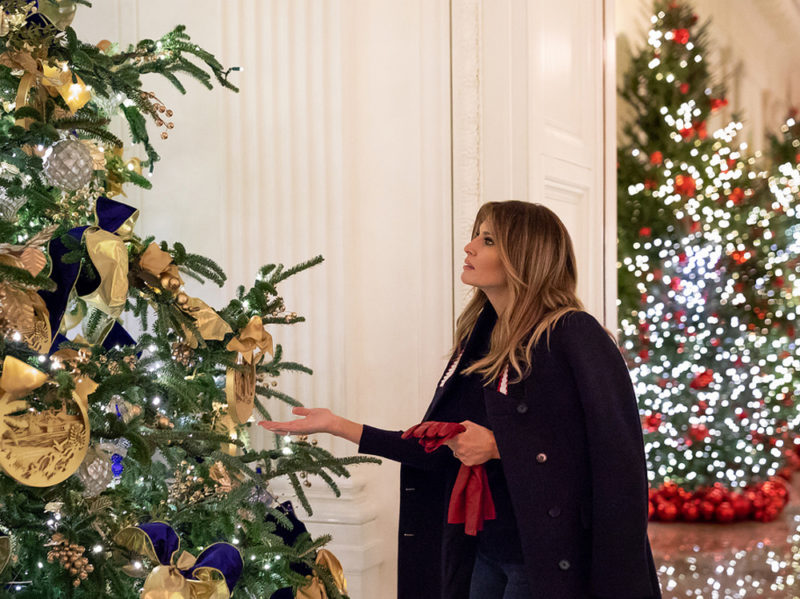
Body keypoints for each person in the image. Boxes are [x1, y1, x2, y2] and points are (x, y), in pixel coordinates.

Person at [259, 201, 662, 599]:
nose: (469, 248)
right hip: (482, 553)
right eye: (475, 236)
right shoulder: (482, 339)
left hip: (544, 560)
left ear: (525, 257)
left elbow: (614, 459)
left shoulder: (573, 333)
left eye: (487, 240)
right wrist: (338, 425)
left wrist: (500, 447)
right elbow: (443, 445)